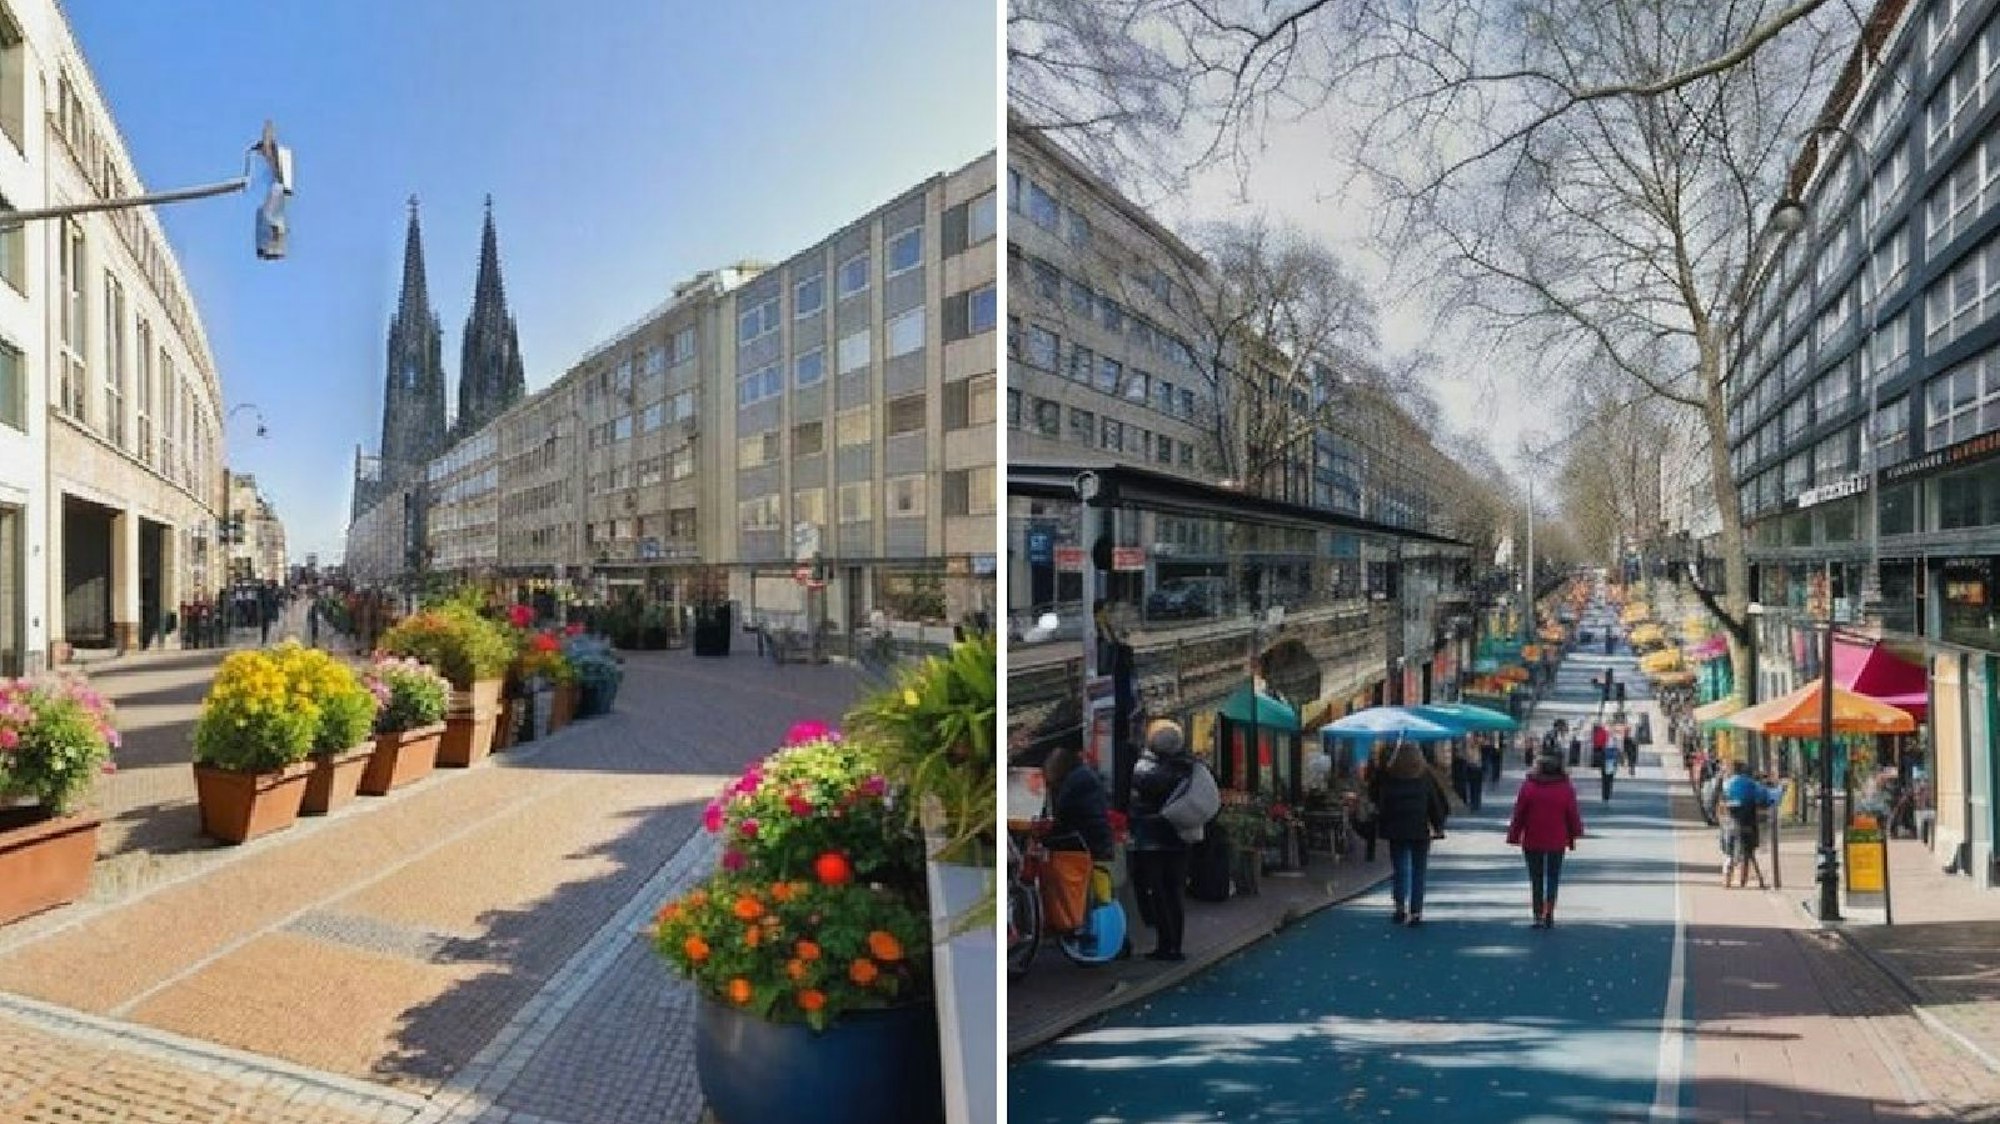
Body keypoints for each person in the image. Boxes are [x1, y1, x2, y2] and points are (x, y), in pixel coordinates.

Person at [1128, 719, 1196, 961]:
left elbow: (1141, 791)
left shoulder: (1150, 771)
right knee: (1174, 891)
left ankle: (1165, 944)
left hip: (1153, 837)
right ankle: (1174, 944)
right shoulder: (1189, 766)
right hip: (1180, 836)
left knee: (1158, 891)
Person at [1370, 740, 1450, 926]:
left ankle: (1399, 906)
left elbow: (1375, 795)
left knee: (1399, 868)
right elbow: (1437, 802)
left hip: (1396, 828)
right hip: (1420, 829)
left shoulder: (1389, 775)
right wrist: (1438, 824)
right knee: (1418, 870)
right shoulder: (1426, 775)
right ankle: (1416, 911)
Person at [1507, 752, 1585, 928]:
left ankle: (1537, 913)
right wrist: (1575, 832)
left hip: (1533, 838)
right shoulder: (1565, 787)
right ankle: (1549, 910)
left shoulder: (1529, 787)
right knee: (1553, 876)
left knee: (1536, 877)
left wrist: (1514, 835)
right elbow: (1572, 813)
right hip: (1557, 839)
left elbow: (1519, 813)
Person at [1718, 761, 1783, 888]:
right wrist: (1779, 788)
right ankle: (1745, 880)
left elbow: (1722, 802)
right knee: (1748, 853)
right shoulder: (1752, 785)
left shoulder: (1727, 784)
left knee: (1730, 854)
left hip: (1730, 823)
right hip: (1748, 823)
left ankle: (1727, 880)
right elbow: (1766, 798)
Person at [1599, 734, 1620, 802]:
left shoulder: (1604, 749)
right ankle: (1608, 793)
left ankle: (1605, 795)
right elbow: (1617, 758)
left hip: (1605, 766)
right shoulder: (1615, 750)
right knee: (1610, 780)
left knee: (1605, 781)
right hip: (1611, 766)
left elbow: (1601, 758)